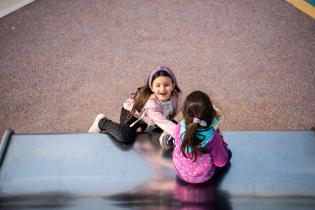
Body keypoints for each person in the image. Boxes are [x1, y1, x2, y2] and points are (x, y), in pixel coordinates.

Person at [89, 66, 184, 146]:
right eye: (158, 85)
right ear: (152, 87)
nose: (162, 89)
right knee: (125, 136)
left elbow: (186, 112)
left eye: (166, 85)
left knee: (176, 127)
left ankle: (158, 133)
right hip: (132, 114)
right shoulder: (151, 104)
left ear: (173, 85)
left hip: (153, 119)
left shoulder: (178, 97)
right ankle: (102, 122)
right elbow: (164, 123)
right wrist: (183, 135)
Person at [172, 90, 231, 184]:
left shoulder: (180, 126)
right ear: (210, 114)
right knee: (229, 153)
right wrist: (220, 139)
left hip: (180, 172)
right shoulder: (212, 137)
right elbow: (221, 162)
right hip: (201, 177)